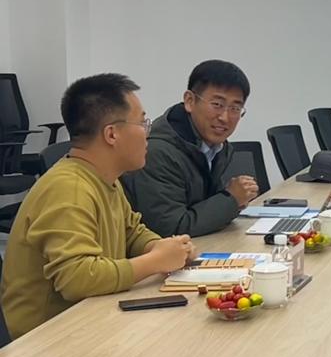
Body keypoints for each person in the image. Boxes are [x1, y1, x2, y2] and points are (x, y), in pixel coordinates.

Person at [0, 74, 195, 339]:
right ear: (112, 134)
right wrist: (155, 261)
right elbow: (77, 278)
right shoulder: (69, 188)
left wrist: (162, 247)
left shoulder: (104, 178)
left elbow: (131, 231)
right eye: (142, 123)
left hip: (90, 321)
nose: (147, 134)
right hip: (45, 340)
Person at [122, 60, 259, 237]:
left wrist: (234, 200)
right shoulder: (157, 152)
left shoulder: (217, 148)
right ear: (190, 101)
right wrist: (231, 199)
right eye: (217, 104)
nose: (225, 117)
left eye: (235, 108)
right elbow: (170, 228)